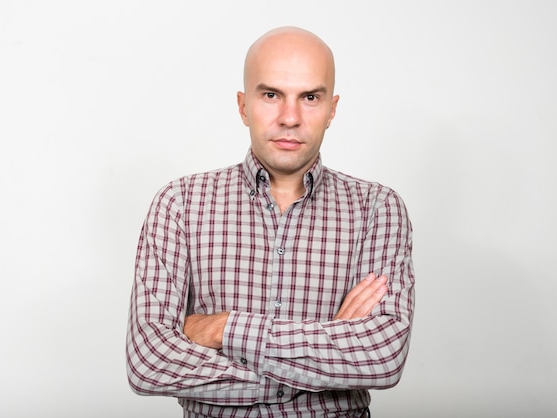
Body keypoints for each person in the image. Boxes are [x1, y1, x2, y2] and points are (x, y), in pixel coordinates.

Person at [126, 26, 415, 418]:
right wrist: (328, 352)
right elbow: (149, 363)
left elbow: (383, 357)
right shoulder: (179, 204)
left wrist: (223, 329)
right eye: (271, 95)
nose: (290, 117)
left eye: (310, 97)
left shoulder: (377, 210)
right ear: (244, 106)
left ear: (332, 108)